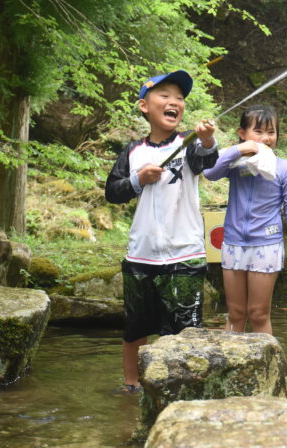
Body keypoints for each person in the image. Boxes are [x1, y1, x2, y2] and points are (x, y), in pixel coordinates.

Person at [105, 70, 218, 393]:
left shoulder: (189, 144)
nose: (174, 102)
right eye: (165, 96)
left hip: (185, 255)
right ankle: (131, 388)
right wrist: (139, 179)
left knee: (186, 331)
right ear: (144, 106)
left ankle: (183, 392)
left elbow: (205, 162)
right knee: (135, 328)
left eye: (180, 98)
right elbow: (113, 192)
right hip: (141, 255)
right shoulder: (132, 151)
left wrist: (207, 139)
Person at [203, 105, 287, 334]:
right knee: (236, 313)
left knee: (258, 314)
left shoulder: (284, 169)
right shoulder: (235, 165)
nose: (266, 138)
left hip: (266, 244)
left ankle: (268, 368)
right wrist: (237, 150)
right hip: (234, 243)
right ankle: (229, 365)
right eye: (258, 132)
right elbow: (209, 173)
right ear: (242, 133)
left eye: (271, 132)